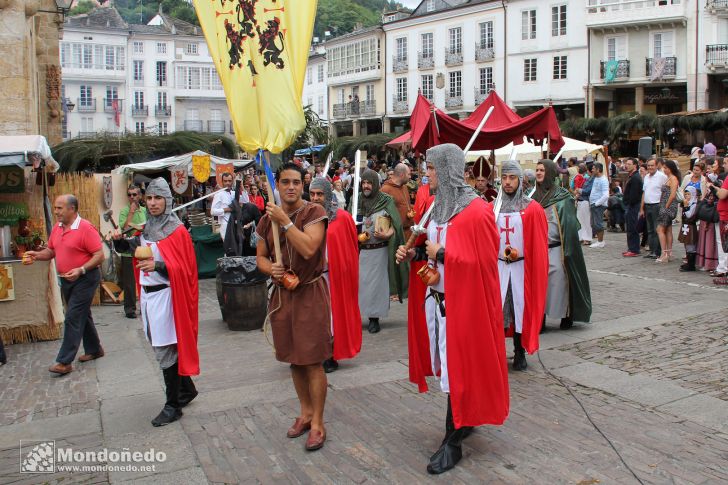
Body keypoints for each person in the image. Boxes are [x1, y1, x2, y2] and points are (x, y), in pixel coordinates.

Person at [396, 144, 509, 475]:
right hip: (437, 303)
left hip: (465, 308)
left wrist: (444, 254)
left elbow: (487, 264)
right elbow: (431, 253)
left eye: (431, 168)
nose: (426, 173)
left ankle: (452, 442)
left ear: (446, 169)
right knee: (449, 369)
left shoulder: (477, 211)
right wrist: (416, 255)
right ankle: (463, 422)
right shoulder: (434, 208)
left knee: (458, 372)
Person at [255, 162, 331, 451]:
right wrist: (269, 269)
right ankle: (305, 412)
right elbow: (260, 256)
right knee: (293, 359)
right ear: (277, 186)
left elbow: (309, 248)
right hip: (282, 297)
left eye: (296, 182)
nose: (290, 187)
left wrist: (285, 223)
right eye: (284, 181)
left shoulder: (314, 212)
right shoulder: (266, 221)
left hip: (310, 293)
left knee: (312, 360)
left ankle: (318, 423)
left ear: (303, 185)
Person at [112, 178, 199, 426]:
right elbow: (135, 247)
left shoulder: (178, 231)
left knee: (164, 350)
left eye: (158, 198)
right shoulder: (147, 227)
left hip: (168, 296)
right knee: (161, 345)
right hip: (149, 297)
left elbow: (187, 269)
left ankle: (173, 405)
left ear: (167, 200)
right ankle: (187, 390)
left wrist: (159, 265)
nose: (152, 203)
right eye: (149, 198)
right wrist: (119, 241)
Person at [25, 195, 105, 376]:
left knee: (73, 316)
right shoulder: (57, 228)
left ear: (72, 209)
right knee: (82, 315)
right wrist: (36, 255)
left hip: (86, 278)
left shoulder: (85, 228)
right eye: (55, 208)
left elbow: (99, 255)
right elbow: (51, 251)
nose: (56, 211)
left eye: (60, 208)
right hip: (67, 279)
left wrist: (81, 270)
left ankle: (64, 361)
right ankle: (94, 349)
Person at [493, 160, 548, 371]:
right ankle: (497, 352)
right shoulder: (492, 209)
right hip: (498, 268)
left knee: (519, 311)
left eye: (512, 178)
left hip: (520, 268)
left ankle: (519, 351)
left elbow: (538, 245)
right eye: (504, 177)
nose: (507, 182)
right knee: (499, 311)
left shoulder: (532, 209)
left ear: (520, 180)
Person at [309, 178, 361, 373]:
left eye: (319, 194)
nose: (315, 198)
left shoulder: (342, 218)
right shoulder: (304, 217)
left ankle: (329, 355)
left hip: (333, 278)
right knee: (311, 317)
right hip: (310, 278)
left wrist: (336, 264)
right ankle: (311, 354)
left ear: (328, 194)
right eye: (312, 194)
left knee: (330, 317)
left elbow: (350, 252)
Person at [533, 160, 592, 330]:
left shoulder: (562, 197)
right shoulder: (531, 196)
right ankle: (540, 319)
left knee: (560, 279)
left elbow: (570, 226)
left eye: (542, 170)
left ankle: (567, 316)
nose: (538, 173)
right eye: (537, 170)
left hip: (558, 247)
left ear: (550, 172)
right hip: (538, 249)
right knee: (538, 284)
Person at [356, 169, 408, 334]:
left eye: (369, 182)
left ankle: (374, 319)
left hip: (380, 251)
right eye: (364, 182)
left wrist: (388, 233)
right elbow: (350, 222)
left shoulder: (386, 200)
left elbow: (397, 226)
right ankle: (358, 317)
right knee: (361, 286)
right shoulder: (357, 201)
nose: (366, 186)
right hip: (361, 251)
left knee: (377, 287)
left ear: (375, 184)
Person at [118, 185, 147, 318]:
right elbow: (124, 229)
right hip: (129, 249)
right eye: (129, 195)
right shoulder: (124, 211)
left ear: (139, 196)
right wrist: (131, 212)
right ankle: (129, 309)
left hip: (142, 249)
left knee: (145, 279)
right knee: (129, 282)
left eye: (134, 195)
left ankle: (144, 306)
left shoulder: (145, 211)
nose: (132, 197)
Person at [640, 158, 668, 259]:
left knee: (657, 229)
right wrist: (641, 208)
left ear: (656, 166)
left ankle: (657, 251)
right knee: (650, 230)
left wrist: (663, 205)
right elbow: (644, 192)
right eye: (649, 165)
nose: (650, 167)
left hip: (657, 205)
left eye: (652, 165)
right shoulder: (646, 177)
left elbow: (665, 192)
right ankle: (652, 250)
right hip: (647, 205)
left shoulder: (662, 177)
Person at [655, 160, 680, 263]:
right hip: (665, 205)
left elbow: (672, 195)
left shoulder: (673, 178)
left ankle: (664, 253)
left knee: (660, 229)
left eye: (666, 168)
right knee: (668, 229)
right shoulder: (668, 178)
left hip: (668, 206)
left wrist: (666, 206)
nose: (664, 170)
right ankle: (669, 253)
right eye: (664, 168)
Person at [380, 163, 414, 239]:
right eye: (408, 174)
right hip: (395, 236)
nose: (410, 177)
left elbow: (405, 205)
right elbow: (381, 214)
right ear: (402, 175)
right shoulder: (385, 189)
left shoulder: (404, 187)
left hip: (408, 233)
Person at [622, 158, 643, 257]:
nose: (626, 165)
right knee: (630, 227)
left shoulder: (635, 177)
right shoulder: (632, 176)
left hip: (633, 206)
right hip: (630, 205)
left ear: (635, 165)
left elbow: (634, 195)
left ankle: (634, 249)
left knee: (632, 227)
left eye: (629, 164)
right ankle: (631, 247)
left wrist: (629, 203)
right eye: (626, 164)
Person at [588, 162, 609, 248]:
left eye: (593, 168)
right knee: (594, 223)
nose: (592, 170)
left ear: (598, 170)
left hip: (598, 205)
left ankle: (601, 241)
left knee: (598, 223)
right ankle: (599, 241)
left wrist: (596, 204)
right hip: (594, 204)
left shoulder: (603, 180)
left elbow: (606, 195)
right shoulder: (596, 178)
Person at [679, 186, 699, 272]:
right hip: (685, 225)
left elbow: (689, 215)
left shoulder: (694, 204)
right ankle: (688, 262)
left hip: (691, 226)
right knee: (686, 244)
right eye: (686, 194)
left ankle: (691, 265)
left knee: (691, 244)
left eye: (689, 194)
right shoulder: (687, 202)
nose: (687, 196)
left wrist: (686, 206)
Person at [211, 173, 235, 242]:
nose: (227, 183)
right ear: (222, 182)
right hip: (225, 225)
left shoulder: (234, 193)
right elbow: (212, 211)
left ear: (232, 181)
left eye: (229, 181)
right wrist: (227, 209)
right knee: (229, 248)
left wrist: (241, 186)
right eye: (225, 181)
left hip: (235, 224)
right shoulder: (218, 194)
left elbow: (245, 201)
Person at [575, 162, 593, 245]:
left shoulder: (591, 179)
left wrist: (579, 190)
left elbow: (588, 191)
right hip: (580, 200)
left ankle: (587, 238)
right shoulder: (587, 179)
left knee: (586, 220)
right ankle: (581, 237)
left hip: (585, 200)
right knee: (580, 220)